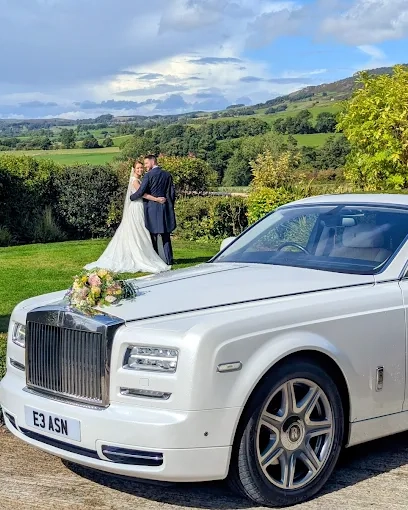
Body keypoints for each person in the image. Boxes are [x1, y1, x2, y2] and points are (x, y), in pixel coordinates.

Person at [84, 161, 170, 274]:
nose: (140, 170)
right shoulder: (134, 181)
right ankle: (140, 256)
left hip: (140, 207)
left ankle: (145, 253)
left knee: (141, 231)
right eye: (138, 168)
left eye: (141, 168)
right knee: (139, 231)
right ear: (134, 169)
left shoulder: (139, 179)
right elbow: (141, 194)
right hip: (136, 208)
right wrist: (157, 199)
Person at [130, 155, 176, 265]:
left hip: (151, 208)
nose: (145, 166)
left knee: (153, 236)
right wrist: (168, 205)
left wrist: (132, 197)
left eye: (146, 163)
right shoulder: (167, 175)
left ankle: (156, 260)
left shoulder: (148, 175)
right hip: (164, 207)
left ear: (152, 161)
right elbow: (171, 193)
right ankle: (169, 260)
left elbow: (141, 192)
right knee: (166, 236)